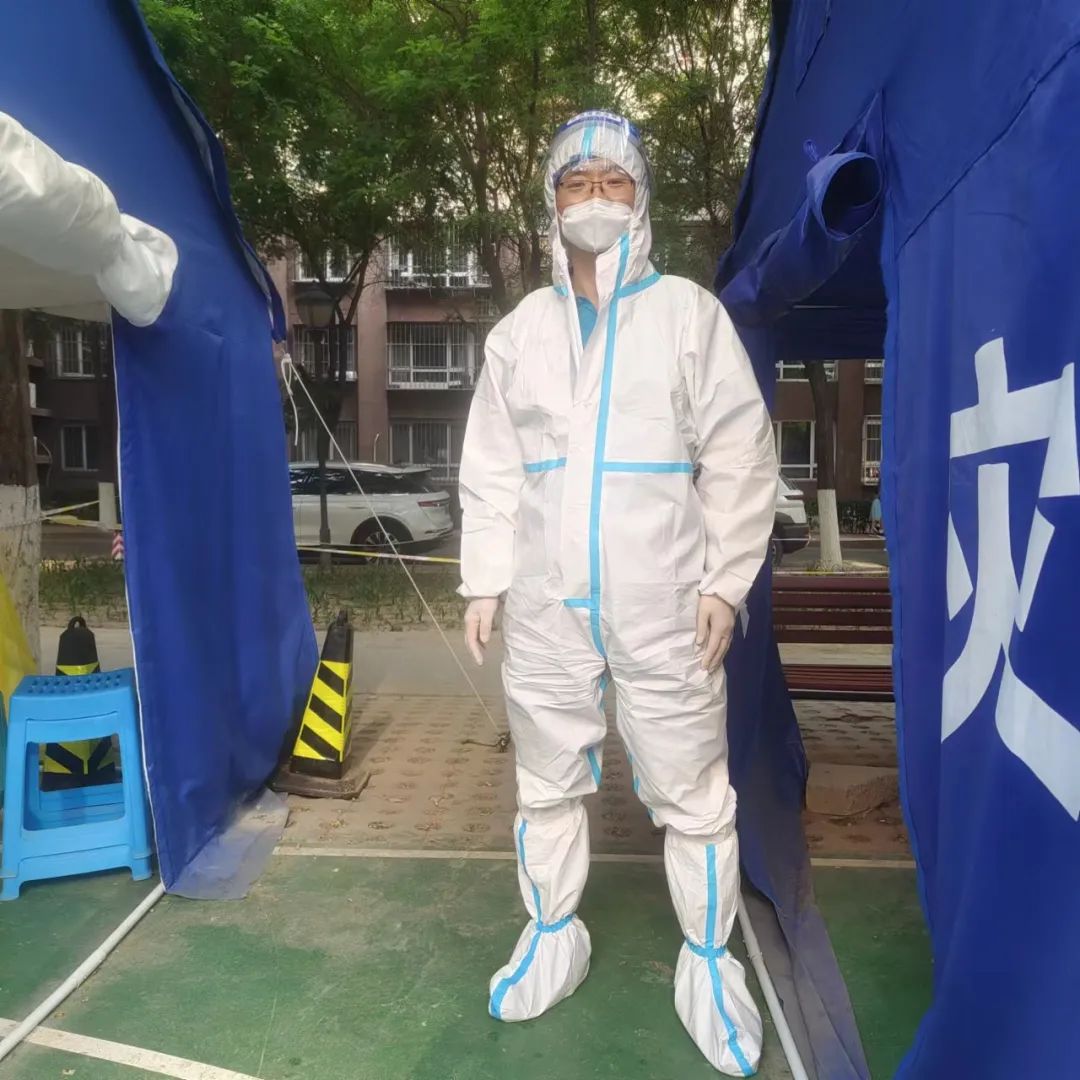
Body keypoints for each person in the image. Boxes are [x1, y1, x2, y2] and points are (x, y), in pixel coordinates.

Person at [458, 111, 777, 1077]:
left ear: (641, 198)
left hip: (665, 598)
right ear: (551, 201)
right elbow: (491, 467)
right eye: (575, 182)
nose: (593, 197)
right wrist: (485, 578)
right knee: (546, 776)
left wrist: (726, 580)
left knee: (693, 786)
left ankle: (710, 961)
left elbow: (739, 452)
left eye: (612, 181)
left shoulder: (687, 314)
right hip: (547, 604)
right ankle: (553, 934)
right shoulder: (521, 332)